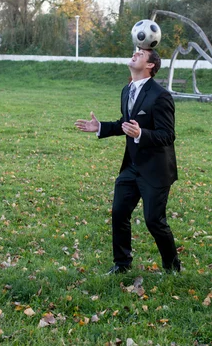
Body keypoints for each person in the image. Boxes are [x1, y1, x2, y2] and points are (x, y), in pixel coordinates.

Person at [75, 48, 181, 275]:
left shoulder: (161, 95)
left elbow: (167, 135)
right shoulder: (127, 90)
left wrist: (141, 133)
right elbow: (125, 123)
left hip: (156, 170)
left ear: (150, 65)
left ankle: (172, 268)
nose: (135, 54)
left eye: (141, 54)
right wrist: (100, 127)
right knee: (119, 213)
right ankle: (122, 264)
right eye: (135, 51)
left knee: (154, 221)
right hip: (131, 167)